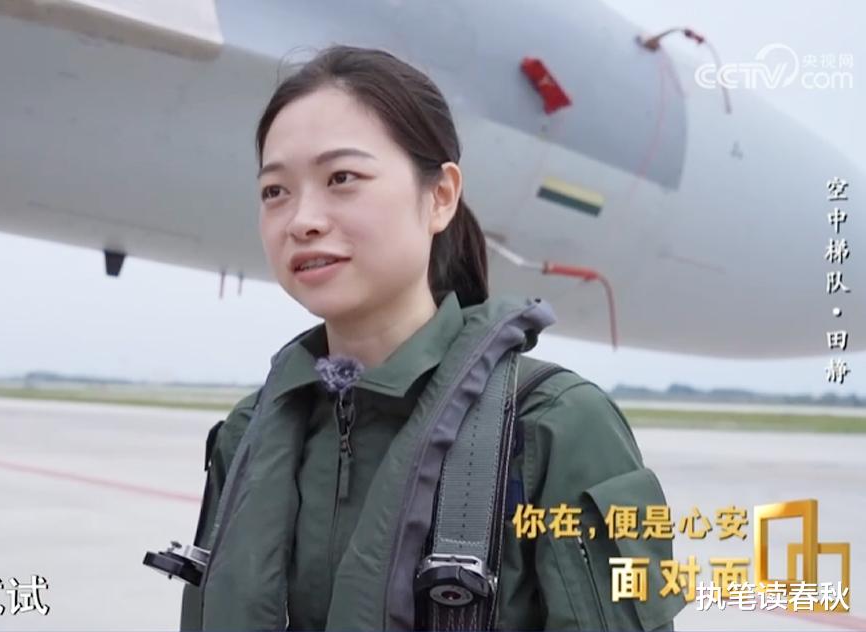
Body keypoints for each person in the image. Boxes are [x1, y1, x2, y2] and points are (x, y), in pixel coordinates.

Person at [178, 45, 684, 631]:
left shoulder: (555, 427)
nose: (301, 220)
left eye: (342, 178)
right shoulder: (248, 433)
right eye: (275, 191)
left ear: (440, 196)